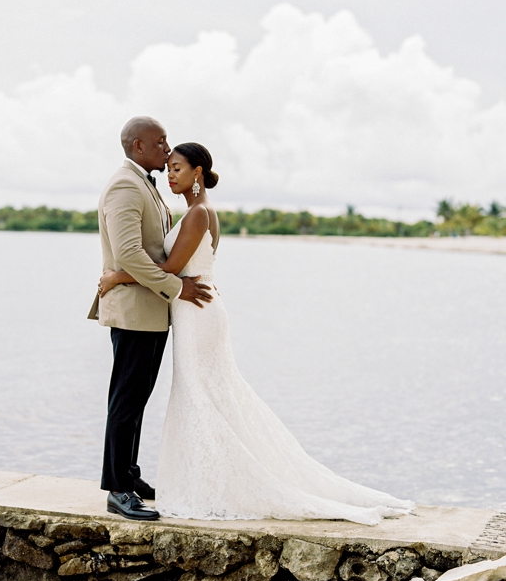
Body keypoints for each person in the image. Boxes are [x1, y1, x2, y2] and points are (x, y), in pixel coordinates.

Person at [99, 142, 415, 525]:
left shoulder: (198, 214)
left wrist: (117, 275)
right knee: (206, 398)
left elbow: (170, 267)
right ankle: (191, 478)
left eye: (178, 167)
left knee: (202, 398)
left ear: (198, 172)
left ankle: (219, 482)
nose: (171, 174)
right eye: (168, 169)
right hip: (196, 311)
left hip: (197, 313)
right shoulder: (195, 212)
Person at [89, 117, 212, 521]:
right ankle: (118, 490)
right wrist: (176, 289)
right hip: (135, 311)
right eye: (161, 143)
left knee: (136, 398)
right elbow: (127, 254)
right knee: (126, 399)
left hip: (151, 310)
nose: (167, 148)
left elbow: (154, 254)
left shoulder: (146, 185)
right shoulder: (125, 185)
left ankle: (129, 473)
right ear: (138, 146)